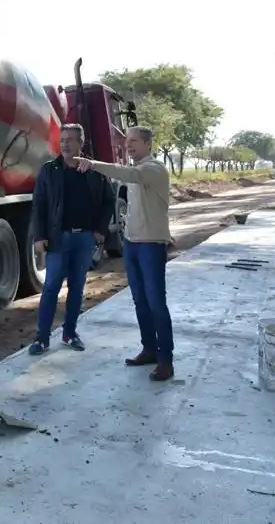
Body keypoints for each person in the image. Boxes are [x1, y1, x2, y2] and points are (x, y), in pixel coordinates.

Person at [73, 126, 175, 382]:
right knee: (140, 301)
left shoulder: (152, 169)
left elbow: (129, 173)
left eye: (135, 142)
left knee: (156, 303)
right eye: (127, 141)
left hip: (151, 245)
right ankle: (149, 349)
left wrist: (93, 163)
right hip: (132, 244)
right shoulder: (138, 170)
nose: (129, 145)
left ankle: (166, 361)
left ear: (149, 144)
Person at [29, 123, 115, 356]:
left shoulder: (94, 170)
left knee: (77, 288)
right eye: (62, 139)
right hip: (59, 239)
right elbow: (39, 204)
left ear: (81, 143)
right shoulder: (50, 170)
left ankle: (70, 333)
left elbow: (109, 200)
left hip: (84, 239)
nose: (65, 144)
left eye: (70, 139)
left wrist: (100, 229)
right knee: (51, 288)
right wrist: (39, 236)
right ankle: (42, 338)